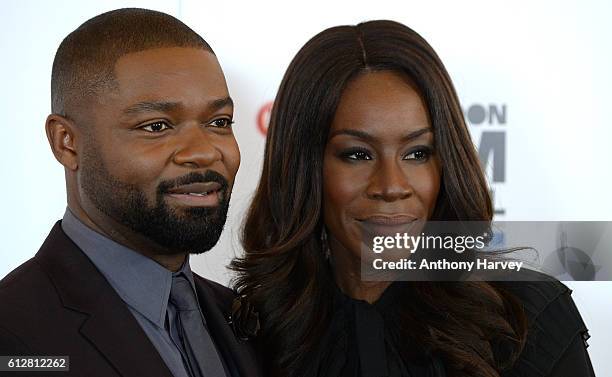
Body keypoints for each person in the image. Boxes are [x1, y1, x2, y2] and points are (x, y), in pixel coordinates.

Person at [231, 20, 595, 377]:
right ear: (303, 167)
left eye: (417, 153)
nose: (391, 186)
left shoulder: (523, 317)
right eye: (357, 154)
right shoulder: (255, 331)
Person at [0, 8, 260, 377]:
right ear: (67, 142)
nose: (203, 152)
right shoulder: (12, 333)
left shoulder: (237, 314)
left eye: (219, 122)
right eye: (156, 126)